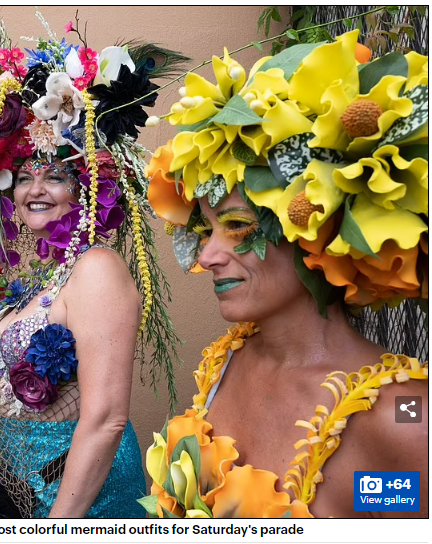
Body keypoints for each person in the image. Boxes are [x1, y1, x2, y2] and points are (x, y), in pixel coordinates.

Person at [143, 31, 428, 518]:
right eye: (205, 230)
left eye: (237, 226)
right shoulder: (226, 361)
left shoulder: (403, 416)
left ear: (317, 229)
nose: (207, 256)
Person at [0, 12, 186, 517]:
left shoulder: (97, 268)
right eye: (24, 177)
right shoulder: (47, 276)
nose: (34, 189)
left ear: (85, 189)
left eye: (55, 176)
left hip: (74, 496)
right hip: (18, 483)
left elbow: (106, 420)